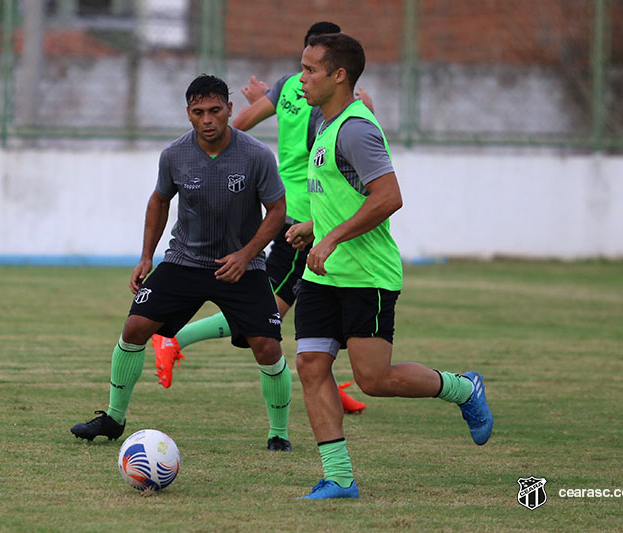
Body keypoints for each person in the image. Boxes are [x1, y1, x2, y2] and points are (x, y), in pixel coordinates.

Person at [285, 33, 494, 499]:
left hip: (366, 276)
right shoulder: (323, 122)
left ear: (339, 75)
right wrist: (313, 228)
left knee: (373, 380)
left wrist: (333, 237)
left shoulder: (357, 128)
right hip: (323, 274)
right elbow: (342, 196)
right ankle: (339, 479)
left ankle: (462, 388)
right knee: (311, 365)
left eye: (310, 70)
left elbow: (389, 198)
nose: (301, 78)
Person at [151, 21, 369, 415]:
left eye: (310, 67)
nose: (305, 74)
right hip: (307, 217)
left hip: (303, 214)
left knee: (317, 309)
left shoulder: (285, 88)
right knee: (267, 317)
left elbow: (242, 123)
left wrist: (268, 104)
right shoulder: (343, 105)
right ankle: (174, 339)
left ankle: (334, 391)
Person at [71, 74, 293, 452]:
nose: (208, 119)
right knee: (135, 327)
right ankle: (113, 418)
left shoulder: (256, 155)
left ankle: (279, 434)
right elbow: (159, 200)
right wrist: (146, 256)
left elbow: (277, 210)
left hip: (242, 266)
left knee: (268, 348)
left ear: (229, 110)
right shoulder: (174, 155)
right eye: (198, 112)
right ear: (188, 114)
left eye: (215, 110)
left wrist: (246, 254)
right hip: (184, 261)